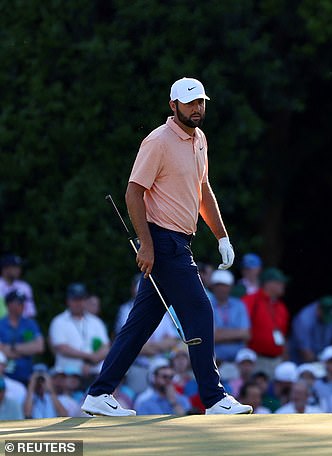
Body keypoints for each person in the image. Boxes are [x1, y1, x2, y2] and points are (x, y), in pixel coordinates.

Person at [81, 77, 252, 416]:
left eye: (201, 102)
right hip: (164, 241)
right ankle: (215, 398)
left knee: (142, 322)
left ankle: (99, 394)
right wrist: (146, 245)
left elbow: (203, 191)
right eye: (190, 103)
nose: (197, 108)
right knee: (200, 310)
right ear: (173, 105)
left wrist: (222, 237)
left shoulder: (200, 139)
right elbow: (134, 192)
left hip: (179, 240)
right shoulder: (158, 141)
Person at [49, 283, 110, 378]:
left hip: (94, 374)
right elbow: (62, 348)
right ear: (68, 301)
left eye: (81, 299)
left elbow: (105, 347)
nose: (78, 303)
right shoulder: (58, 321)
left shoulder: (96, 321)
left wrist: (90, 363)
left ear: (85, 301)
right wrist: (90, 357)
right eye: (75, 300)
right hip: (66, 376)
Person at [242, 267, 290, 378]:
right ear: (268, 284)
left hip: (277, 360)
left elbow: (283, 335)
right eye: (279, 282)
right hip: (256, 359)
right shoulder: (251, 300)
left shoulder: (282, 307)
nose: (283, 285)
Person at [0, 290, 45, 384]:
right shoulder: (1, 324)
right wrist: (26, 350)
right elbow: (1, 351)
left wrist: (12, 348)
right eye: (18, 302)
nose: (22, 305)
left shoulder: (30, 324)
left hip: (27, 376)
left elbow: (39, 347)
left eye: (22, 302)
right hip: (4, 378)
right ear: (9, 304)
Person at [208, 269, 251, 364]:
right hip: (215, 361)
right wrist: (236, 334)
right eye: (218, 285)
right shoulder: (207, 305)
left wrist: (220, 334)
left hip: (238, 361)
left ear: (231, 287)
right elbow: (210, 336)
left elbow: (245, 334)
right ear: (213, 287)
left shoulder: (239, 305)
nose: (222, 289)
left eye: (225, 286)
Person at [288, 295, 332, 364]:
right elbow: (305, 352)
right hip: (302, 361)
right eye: (326, 315)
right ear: (319, 309)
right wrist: (322, 366)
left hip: (325, 356)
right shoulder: (304, 319)